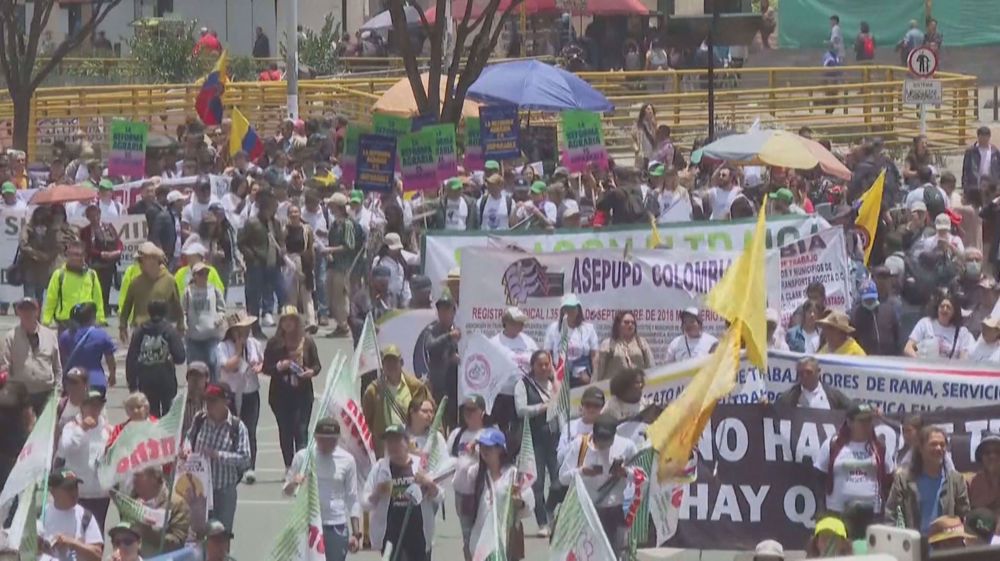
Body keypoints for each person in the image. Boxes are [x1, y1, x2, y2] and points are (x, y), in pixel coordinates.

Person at [284, 417, 362, 561]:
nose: (327, 444)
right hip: (308, 524)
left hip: (336, 525)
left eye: (332, 440)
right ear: (315, 437)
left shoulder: (347, 460)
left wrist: (356, 533)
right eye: (323, 439)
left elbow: (352, 497)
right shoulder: (303, 457)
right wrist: (294, 482)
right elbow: (286, 491)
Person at [558, 414, 639, 552]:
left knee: (613, 553)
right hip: (587, 510)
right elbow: (562, 478)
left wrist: (625, 472)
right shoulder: (579, 445)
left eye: (606, 441)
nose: (602, 445)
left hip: (615, 509)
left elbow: (640, 475)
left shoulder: (627, 446)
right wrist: (582, 471)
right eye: (599, 440)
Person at [362, 425, 443, 561]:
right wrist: (376, 493)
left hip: (418, 533)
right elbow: (365, 502)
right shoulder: (380, 468)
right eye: (389, 442)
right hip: (390, 535)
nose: (392, 446)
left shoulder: (421, 466)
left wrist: (428, 484)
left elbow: (440, 496)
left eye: (396, 441)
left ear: (407, 442)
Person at [453, 428, 533, 561]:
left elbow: (528, 503)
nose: (484, 451)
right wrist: (469, 454)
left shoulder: (513, 474)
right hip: (481, 539)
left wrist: (520, 503)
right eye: (482, 446)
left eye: (489, 447)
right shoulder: (476, 473)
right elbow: (458, 482)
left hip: (504, 539)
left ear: (500, 449)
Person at [185, 382, 252, 532]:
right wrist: (187, 448)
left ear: (226, 401)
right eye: (206, 400)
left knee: (221, 535)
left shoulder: (236, 426)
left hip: (223, 491)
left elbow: (245, 459)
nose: (208, 405)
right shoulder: (200, 419)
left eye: (213, 401)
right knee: (198, 534)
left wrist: (218, 455)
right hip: (200, 490)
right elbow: (189, 437)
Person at [263, 306, 321, 470]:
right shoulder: (274, 343)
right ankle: (289, 466)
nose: (288, 324)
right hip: (280, 394)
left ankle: (302, 467)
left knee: (301, 429)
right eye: (285, 320)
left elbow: (316, 365)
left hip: (302, 393)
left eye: (292, 320)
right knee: (285, 430)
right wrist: (279, 366)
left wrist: (311, 372)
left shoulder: (307, 341)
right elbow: (266, 367)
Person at [815, 403, 894, 517]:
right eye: (862, 421)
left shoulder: (879, 448)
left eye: (869, 420)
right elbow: (819, 477)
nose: (866, 425)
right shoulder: (833, 445)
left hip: (871, 513)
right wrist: (822, 509)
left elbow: (890, 478)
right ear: (849, 422)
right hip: (837, 511)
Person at [886, 426, 970, 532]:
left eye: (942, 445)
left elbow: (964, 516)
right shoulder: (903, 480)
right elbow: (892, 514)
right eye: (933, 444)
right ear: (921, 448)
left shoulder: (956, 480)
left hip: (945, 545)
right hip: (913, 544)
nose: (939, 448)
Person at [514, 350, 560, 537]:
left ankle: (549, 509)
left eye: (546, 364)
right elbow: (521, 410)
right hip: (534, 439)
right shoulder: (523, 385)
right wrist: (542, 407)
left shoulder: (555, 385)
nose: (543, 368)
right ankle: (542, 522)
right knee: (537, 482)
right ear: (532, 366)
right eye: (539, 364)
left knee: (559, 482)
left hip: (555, 438)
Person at [216, 310, 264, 481]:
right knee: (231, 429)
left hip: (250, 391)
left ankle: (250, 466)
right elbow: (228, 367)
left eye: (247, 327)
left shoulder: (254, 344)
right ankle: (233, 466)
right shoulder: (223, 347)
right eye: (242, 329)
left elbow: (261, 362)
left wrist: (259, 366)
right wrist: (237, 350)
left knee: (250, 430)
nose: (246, 331)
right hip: (230, 393)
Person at [56, 391, 113, 532]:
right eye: (91, 405)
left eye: (98, 406)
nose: (95, 410)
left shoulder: (108, 429)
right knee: (77, 531)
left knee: (97, 532)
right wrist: (82, 429)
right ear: (82, 406)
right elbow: (64, 449)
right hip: (78, 493)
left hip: (100, 493)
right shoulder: (71, 427)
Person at [362, 345, 431, 458]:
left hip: (410, 445)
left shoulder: (415, 386)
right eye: (387, 362)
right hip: (385, 448)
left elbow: (428, 411)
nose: (390, 365)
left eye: (394, 361)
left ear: (402, 362)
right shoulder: (373, 390)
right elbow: (367, 420)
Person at [446, 395, 489, 561]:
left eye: (473, 409)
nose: (468, 414)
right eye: (466, 410)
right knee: (467, 535)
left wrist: (477, 452)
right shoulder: (457, 434)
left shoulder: (490, 433)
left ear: (482, 412)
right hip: (463, 493)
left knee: (483, 532)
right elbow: (448, 458)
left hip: (483, 491)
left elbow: (498, 459)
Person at [0, 297, 60, 412]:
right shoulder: (10, 337)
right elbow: (4, 367)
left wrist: (58, 391)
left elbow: (57, 367)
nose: (27, 313)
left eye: (31, 310)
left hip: (45, 393)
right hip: (20, 396)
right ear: (18, 313)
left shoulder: (50, 335)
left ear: (37, 312)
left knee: (44, 429)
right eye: (23, 310)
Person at [126, 299, 185, 415]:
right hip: (166, 380)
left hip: (146, 380)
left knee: (151, 415)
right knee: (168, 416)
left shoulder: (140, 331)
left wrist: (132, 384)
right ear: (165, 312)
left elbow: (131, 358)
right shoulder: (169, 330)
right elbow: (180, 357)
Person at [120, 242, 184, 344]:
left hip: (163, 332)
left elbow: (177, 306)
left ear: (153, 259)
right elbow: (126, 306)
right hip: (140, 331)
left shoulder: (169, 280)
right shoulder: (136, 282)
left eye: (141, 260)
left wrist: (181, 325)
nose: (138, 263)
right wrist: (122, 327)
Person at [238, 192, 286, 328]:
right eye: (271, 207)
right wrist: (251, 255)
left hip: (274, 265)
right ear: (263, 208)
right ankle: (254, 326)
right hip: (257, 266)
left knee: (283, 293)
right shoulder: (252, 223)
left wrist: (282, 248)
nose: (273, 210)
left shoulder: (275, 223)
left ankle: (284, 325)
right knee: (254, 298)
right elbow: (241, 242)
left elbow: (280, 239)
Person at [38, 469, 103, 561]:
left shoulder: (85, 516)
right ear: (53, 491)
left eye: (75, 487)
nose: (74, 493)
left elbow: (97, 555)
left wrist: (72, 543)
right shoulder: (41, 515)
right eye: (68, 488)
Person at [42, 241, 105, 331]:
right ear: (67, 255)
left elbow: (97, 299)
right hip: (65, 322)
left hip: (87, 323)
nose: (75, 258)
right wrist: (46, 321)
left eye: (78, 254)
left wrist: (100, 319)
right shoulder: (59, 274)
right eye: (72, 254)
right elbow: (51, 299)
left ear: (84, 256)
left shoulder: (92, 275)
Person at [130, 466, 191, 557]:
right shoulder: (132, 502)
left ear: (155, 477)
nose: (134, 480)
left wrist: (149, 532)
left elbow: (177, 544)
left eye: (138, 475)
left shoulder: (177, 504)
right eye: (133, 475)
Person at [59, 302, 116, 394]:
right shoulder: (101, 335)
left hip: (73, 381)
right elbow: (110, 358)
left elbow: (62, 359)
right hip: (96, 381)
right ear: (91, 318)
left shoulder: (66, 335)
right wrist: (112, 375)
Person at [326, 193, 362, 337]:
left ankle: (345, 325)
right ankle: (341, 323)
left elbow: (349, 246)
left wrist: (330, 250)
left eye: (332, 205)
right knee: (332, 296)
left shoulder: (347, 224)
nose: (329, 208)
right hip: (334, 265)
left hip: (345, 266)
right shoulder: (335, 224)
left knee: (341, 296)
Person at [543, 294, 599, 387]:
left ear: (578, 309)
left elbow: (595, 354)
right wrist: (552, 373)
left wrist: (594, 376)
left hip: (582, 375)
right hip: (559, 374)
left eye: (573, 308)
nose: (570, 311)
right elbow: (547, 352)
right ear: (563, 310)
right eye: (567, 308)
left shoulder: (588, 328)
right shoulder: (554, 328)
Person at [183, 262, 226, 376]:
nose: (204, 276)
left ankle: (214, 389)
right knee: (195, 368)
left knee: (214, 363)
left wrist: (220, 317)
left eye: (206, 273)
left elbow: (221, 309)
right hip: (194, 336)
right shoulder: (188, 292)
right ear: (195, 276)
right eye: (200, 274)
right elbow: (183, 311)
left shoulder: (214, 290)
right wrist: (184, 323)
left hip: (211, 335)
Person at [79, 203, 123, 314]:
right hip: (95, 263)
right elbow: (87, 248)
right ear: (88, 217)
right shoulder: (85, 231)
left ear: (100, 214)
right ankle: (95, 311)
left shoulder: (108, 226)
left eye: (96, 215)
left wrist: (117, 251)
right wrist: (101, 254)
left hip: (110, 263)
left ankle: (106, 309)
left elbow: (118, 241)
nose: (94, 218)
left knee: (106, 287)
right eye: (91, 216)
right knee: (95, 288)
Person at [904, 293, 974, 359]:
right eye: (942, 306)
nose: (944, 309)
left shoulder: (961, 332)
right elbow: (911, 346)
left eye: (948, 307)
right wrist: (919, 355)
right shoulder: (925, 323)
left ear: (954, 311)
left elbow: (963, 358)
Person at [284, 204, 318, 330]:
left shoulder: (306, 229)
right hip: (290, 261)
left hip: (305, 261)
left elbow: (310, 247)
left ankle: (311, 321)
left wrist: (312, 264)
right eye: (291, 212)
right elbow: (282, 247)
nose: (294, 214)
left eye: (296, 212)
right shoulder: (284, 229)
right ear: (288, 215)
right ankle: (293, 321)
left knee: (307, 293)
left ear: (300, 214)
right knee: (292, 294)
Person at [17, 206, 61, 302]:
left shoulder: (51, 230)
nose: (41, 217)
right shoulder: (28, 228)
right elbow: (23, 245)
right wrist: (37, 254)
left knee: (40, 295)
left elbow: (56, 247)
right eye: (39, 215)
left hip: (44, 268)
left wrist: (48, 256)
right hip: (29, 265)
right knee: (29, 295)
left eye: (43, 215)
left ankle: (38, 316)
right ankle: (28, 315)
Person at [594, 311, 653, 382]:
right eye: (626, 322)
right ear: (618, 325)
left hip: (637, 387)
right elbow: (598, 371)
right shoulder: (607, 344)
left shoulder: (642, 343)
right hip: (614, 388)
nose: (630, 325)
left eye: (633, 322)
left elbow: (651, 366)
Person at [775, 357, 853, 410]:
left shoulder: (833, 395)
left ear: (818, 372)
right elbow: (774, 414)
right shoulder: (788, 397)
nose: (805, 376)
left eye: (809, 372)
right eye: (801, 373)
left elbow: (852, 410)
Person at [850, 280, 904, 356]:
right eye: (867, 299)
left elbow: (897, 335)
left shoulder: (888, 310)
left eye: (872, 299)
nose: (870, 301)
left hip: (889, 357)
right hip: (867, 358)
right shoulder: (855, 315)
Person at [968, 432, 1000, 516]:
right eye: (987, 452)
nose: (992, 456)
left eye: (997, 452)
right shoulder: (970, 484)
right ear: (981, 457)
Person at [962, 126, 1000, 191]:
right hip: (975, 186)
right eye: (982, 137)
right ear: (978, 137)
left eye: (986, 137)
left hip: (992, 186)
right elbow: (966, 170)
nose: (984, 140)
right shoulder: (971, 152)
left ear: (989, 137)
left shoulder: (994, 152)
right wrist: (965, 186)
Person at [183, 362, 210, 435]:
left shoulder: (212, 402)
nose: (195, 380)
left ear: (206, 379)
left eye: (199, 376)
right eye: (192, 376)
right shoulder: (180, 403)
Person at [634, 104, 658, 169]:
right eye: (648, 109)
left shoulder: (654, 125)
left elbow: (657, 138)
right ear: (643, 111)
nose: (650, 111)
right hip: (643, 155)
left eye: (651, 109)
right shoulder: (638, 125)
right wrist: (636, 147)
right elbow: (633, 138)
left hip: (652, 155)